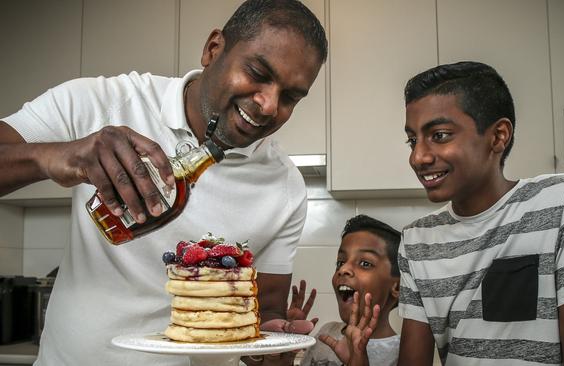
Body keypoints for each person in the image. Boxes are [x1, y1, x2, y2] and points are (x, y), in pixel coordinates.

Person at [0, 0, 327, 365]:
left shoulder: (286, 188)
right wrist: (55, 155)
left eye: (291, 97)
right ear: (213, 48)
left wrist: (274, 342)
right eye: (257, 71)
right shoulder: (103, 103)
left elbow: (264, 312)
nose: (269, 105)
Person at [344, 61, 564, 366]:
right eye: (412, 140)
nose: (418, 157)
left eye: (439, 135)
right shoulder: (418, 240)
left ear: (498, 136)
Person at [303, 214, 401, 366]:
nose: (343, 269)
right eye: (340, 262)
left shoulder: (400, 354)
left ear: (398, 287)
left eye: (365, 263)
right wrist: (282, 355)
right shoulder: (327, 331)